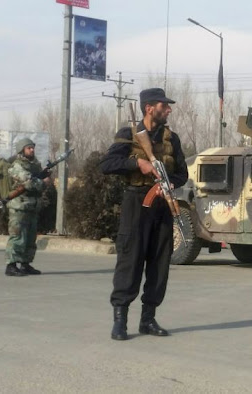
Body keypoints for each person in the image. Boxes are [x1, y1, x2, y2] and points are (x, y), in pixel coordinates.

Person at [99, 88, 189, 340]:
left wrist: (170, 183)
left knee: (160, 263)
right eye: (164, 105)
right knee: (130, 260)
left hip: (162, 204)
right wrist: (137, 163)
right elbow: (106, 165)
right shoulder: (128, 135)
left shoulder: (173, 139)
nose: (169, 109)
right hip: (136, 202)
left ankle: (148, 319)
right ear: (150, 108)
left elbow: (183, 173)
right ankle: (120, 321)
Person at [4, 138, 49, 277]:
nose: (32, 150)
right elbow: (29, 183)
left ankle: (25, 264)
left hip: (32, 206)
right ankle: (11, 266)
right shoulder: (17, 166)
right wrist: (43, 182)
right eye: (29, 148)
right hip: (19, 207)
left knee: (30, 238)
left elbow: (38, 183)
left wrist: (45, 177)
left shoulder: (35, 165)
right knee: (17, 237)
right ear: (22, 150)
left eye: (33, 147)